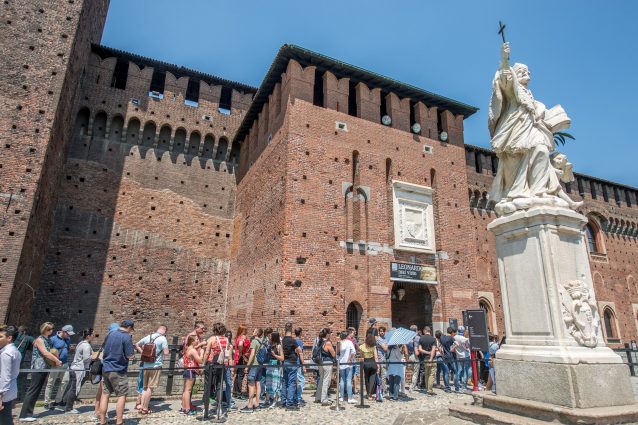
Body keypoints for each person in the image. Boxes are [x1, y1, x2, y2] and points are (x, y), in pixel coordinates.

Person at [19, 322, 61, 422]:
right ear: (44, 329)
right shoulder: (39, 340)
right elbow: (45, 353)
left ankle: (29, 412)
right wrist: (56, 360)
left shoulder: (47, 340)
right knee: (33, 390)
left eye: (52, 329)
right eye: (49, 329)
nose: (51, 331)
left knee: (37, 390)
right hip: (38, 367)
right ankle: (24, 414)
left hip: (44, 367)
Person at [99, 320, 135, 425]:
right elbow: (129, 355)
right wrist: (133, 355)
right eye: (131, 329)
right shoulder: (126, 337)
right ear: (129, 327)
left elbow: (104, 349)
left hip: (106, 368)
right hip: (118, 369)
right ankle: (119, 422)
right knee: (122, 395)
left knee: (105, 394)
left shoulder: (110, 334)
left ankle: (102, 421)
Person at [135, 325, 169, 414]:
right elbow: (166, 353)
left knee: (145, 387)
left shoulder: (148, 337)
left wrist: (144, 353)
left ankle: (142, 407)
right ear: (165, 331)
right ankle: (145, 408)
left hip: (146, 365)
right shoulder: (163, 339)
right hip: (156, 366)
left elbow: (137, 345)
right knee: (150, 388)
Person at [92, 323, 119, 423]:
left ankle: (97, 412)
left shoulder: (106, 340)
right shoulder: (113, 341)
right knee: (104, 393)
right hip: (108, 369)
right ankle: (100, 414)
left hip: (104, 369)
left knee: (102, 392)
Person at [63, 328, 94, 414]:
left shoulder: (80, 344)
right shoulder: (86, 346)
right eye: (92, 335)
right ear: (88, 336)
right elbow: (86, 359)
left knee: (73, 387)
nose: (93, 336)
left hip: (75, 368)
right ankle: (69, 408)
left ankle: (64, 402)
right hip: (79, 369)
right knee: (75, 388)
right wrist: (94, 358)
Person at [44, 324, 75, 410]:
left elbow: (67, 349)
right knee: (51, 383)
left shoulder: (68, 339)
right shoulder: (53, 339)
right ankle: (47, 402)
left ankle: (58, 400)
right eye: (68, 333)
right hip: (55, 364)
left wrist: (71, 349)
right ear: (63, 331)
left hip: (65, 363)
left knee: (65, 381)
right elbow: (47, 352)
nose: (69, 335)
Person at [203, 323, 230, 410]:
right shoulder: (226, 340)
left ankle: (206, 407)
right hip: (221, 364)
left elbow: (207, 352)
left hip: (211, 363)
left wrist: (203, 363)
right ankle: (219, 406)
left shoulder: (212, 339)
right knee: (219, 385)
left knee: (207, 385)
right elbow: (227, 353)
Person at [0, 325, 21, 425]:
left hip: (4, 391)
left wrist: (0, 396)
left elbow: (5, 376)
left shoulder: (6, 353)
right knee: (6, 417)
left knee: (4, 419)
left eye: (1, 337)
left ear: (9, 338)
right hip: (10, 389)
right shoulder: (15, 351)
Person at [240, 328, 264, 413]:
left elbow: (252, 354)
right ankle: (257, 404)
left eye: (254, 331)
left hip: (254, 365)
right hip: (260, 364)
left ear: (257, 333)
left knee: (251, 384)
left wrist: (247, 366)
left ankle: (250, 405)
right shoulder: (261, 341)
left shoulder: (254, 341)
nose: (252, 332)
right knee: (258, 383)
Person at [282, 323, 304, 410]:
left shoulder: (283, 340)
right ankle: (289, 403)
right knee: (291, 383)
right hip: (292, 362)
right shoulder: (292, 340)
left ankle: (283, 401)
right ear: (291, 330)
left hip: (285, 362)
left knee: (284, 382)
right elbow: (299, 350)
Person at [181, 334, 203, 415]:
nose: (198, 341)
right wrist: (202, 352)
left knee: (185, 390)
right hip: (190, 371)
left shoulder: (187, 348)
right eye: (196, 339)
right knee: (188, 390)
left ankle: (184, 407)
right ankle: (187, 409)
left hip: (187, 370)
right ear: (192, 341)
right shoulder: (193, 350)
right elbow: (200, 360)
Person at [314, 328, 335, 406]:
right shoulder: (328, 343)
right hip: (327, 363)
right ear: (327, 334)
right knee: (326, 381)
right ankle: (324, 400)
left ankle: (318, 397)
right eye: (330, 333)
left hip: (320, 363)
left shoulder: (319, 341)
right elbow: (333, 354)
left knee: (321, 380)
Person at [264, 332, 283, 408]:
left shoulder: (279, 346)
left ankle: (275, 401)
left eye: (270, 336)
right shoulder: (269, 345)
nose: (269, 337)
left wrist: (274, 355)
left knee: (276, 384)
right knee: (268, 384)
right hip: (269, 367)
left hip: (276, 368)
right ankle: (267, 400)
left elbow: (282, 358)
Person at [13, 326, 33, 399]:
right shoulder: (27, 338)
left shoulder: (12, 336)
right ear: (25, 331)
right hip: (18, 362)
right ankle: (16, 396)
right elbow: (34, 344)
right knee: (16, 378)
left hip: (9, 359)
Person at [337, 331, 356, 403]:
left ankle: (341, 397)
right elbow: (353, 351)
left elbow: (337, 354)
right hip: (348, 363)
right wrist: (350, 359)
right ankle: (349, 398)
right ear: (347, 336)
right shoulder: (349, 342)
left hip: (341, 362)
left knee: (342, 380)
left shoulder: (339, 343)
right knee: (348, 380)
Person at [359, 333, 379, 401]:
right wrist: (378, 365)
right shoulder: (373, 346)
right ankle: (370, 393)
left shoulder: (361, 347)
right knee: (372, 379)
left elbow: (361, 357)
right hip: (373, 362)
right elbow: (376, 357)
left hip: (365, 363)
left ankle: (368, 394)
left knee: (366, 379)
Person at [418, 326, 437, 395]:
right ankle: (429, 390)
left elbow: (420, 349)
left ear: (424, 331)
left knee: (426, 373)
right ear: (429, 331)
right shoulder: (433, 339)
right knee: (432, 374)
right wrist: (431, 358)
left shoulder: (421, 338)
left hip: (425, 358)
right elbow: (433, 350)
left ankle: (427, 388)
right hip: (432, 359)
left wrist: (427, 352)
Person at [232, 325, 250, 400]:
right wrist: (241, 352)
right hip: (242, 357)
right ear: (243, 330)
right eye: (246, 329)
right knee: (240, 375)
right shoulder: (243, 337)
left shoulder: (238, 337)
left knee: (238, 374)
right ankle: (239, 393)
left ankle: (236, 392)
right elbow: (240, 344)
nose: (247, 331)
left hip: (238, 357)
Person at [439, 327, 458, 393]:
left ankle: (447, 388)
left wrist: (442, 354)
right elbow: (457, 344)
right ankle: (457, 387)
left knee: (446, 372)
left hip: (445, 357)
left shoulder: (441, 337)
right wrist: (452, 349)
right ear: (452, 332)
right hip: (451, 356)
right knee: (455, 372)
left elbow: (439, 347)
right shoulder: (451, 338)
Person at [453, 326, 470, 392]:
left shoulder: (455, 337)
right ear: (463, 331)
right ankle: (464, 386)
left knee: (459, 371)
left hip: (458, 355)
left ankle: (456, 385)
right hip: (465, 355)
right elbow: (467, 347)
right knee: (465, 371)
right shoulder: (465, 339)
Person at [293, 327, 305, 405]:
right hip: (298, 364)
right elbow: (300, 353)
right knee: (301, 381)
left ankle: (295, 397)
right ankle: (298, 398)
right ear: (300, 333)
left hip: (293, 363)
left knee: (295, 381)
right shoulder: (299, 342)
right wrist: (303, 365)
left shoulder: (293, 341)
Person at [407, 325, 421, 392]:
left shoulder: (407, 338)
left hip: (409, 355)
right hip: (415, 355)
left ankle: (412, 385)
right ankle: (412, 387)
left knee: (412, 372)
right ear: (416, 330)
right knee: (415, 372)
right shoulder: (417, 337)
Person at [376, 326, 388, 396]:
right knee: (383, 374)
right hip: (381, 358)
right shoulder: (379, 339)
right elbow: (385, 348)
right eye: (380, 331)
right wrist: (388, 344)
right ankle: (384, 390)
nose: (382, 332)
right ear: (379, 332)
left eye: (383, 331)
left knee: (384, 374)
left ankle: (383, 389)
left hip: (385, 358)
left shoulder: (385, 338)